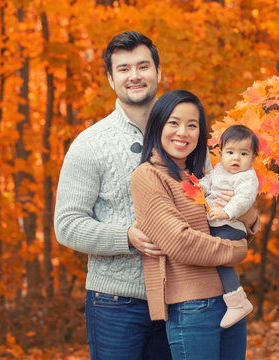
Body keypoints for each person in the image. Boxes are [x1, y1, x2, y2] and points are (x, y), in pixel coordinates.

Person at [54, 31, 172, 360]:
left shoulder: (184, 134)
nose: (134, 76)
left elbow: (209, 201)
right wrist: (127, 236)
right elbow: (66, 224)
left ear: (158, 73)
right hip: (115, 303)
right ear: (110, 78)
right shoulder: (90, 144)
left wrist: (244, 217)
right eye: (123, 69)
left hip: (181, 299)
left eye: (143, 66)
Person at [130, 89, 250, 360]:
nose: (182, 132)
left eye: (192, 125)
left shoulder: (199, 178)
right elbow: (180, 242)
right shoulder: (147, 176)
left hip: (232, 301)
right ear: (158, 125)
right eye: (173, 122)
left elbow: (226, 226)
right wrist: (236, 251)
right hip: (192, 308)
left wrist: (249, 214)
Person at [198, 124, 259, 329]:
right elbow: (209, 180)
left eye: (243, 153)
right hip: (218, 222)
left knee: (222, 261)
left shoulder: (247, 177)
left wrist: (227, 212)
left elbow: (244, 199)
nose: (236, 158)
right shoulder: (219, 170)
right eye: (230, 152)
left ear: (253, 158)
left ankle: (237, 302)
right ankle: (233, 299)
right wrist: (203, 186)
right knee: (218, 262)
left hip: (230, 225)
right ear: (221, 153)